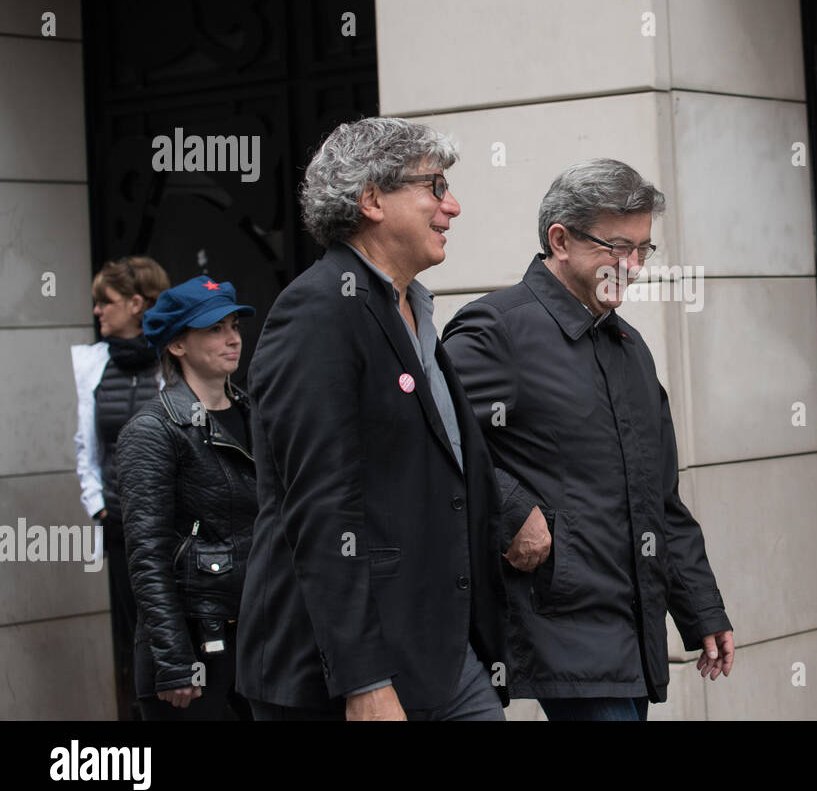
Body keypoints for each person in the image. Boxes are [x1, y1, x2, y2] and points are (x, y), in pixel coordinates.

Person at [442, 157, 734, 721]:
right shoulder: (495, 329)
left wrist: (700, 607)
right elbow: (434, 440)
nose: (633, 265)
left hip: (631, 627)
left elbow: (659, 497)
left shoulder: (630, 346)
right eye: (616, 247)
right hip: (560, 622)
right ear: (560, 239)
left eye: (644, 249)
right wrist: (512, 511)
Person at [236, 117, 509, 721]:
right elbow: (321, 506)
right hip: (344, 671)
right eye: (434, 186)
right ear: (370, 200)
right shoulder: (316, 311)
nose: (453, 206)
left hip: (441, 651)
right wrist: (363, 680)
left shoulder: (415, 307)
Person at [115, 276, 258, 721]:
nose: (232, 337)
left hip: (260, 642)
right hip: (195, 654)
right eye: (214, 328)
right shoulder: (153, 430)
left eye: (233, 324)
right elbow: (147, 556)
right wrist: (175, 662)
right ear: (178, 345)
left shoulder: (255, 413)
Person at [70, 255, 170, 720]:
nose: (97, 312)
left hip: (173, 525)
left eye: (104, 302)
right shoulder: (91, 364)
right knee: (137, 634)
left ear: (135, 304)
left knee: (177, 631)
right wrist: (99, 510)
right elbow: (85, 446)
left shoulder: (174, 357)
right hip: (120, 525)